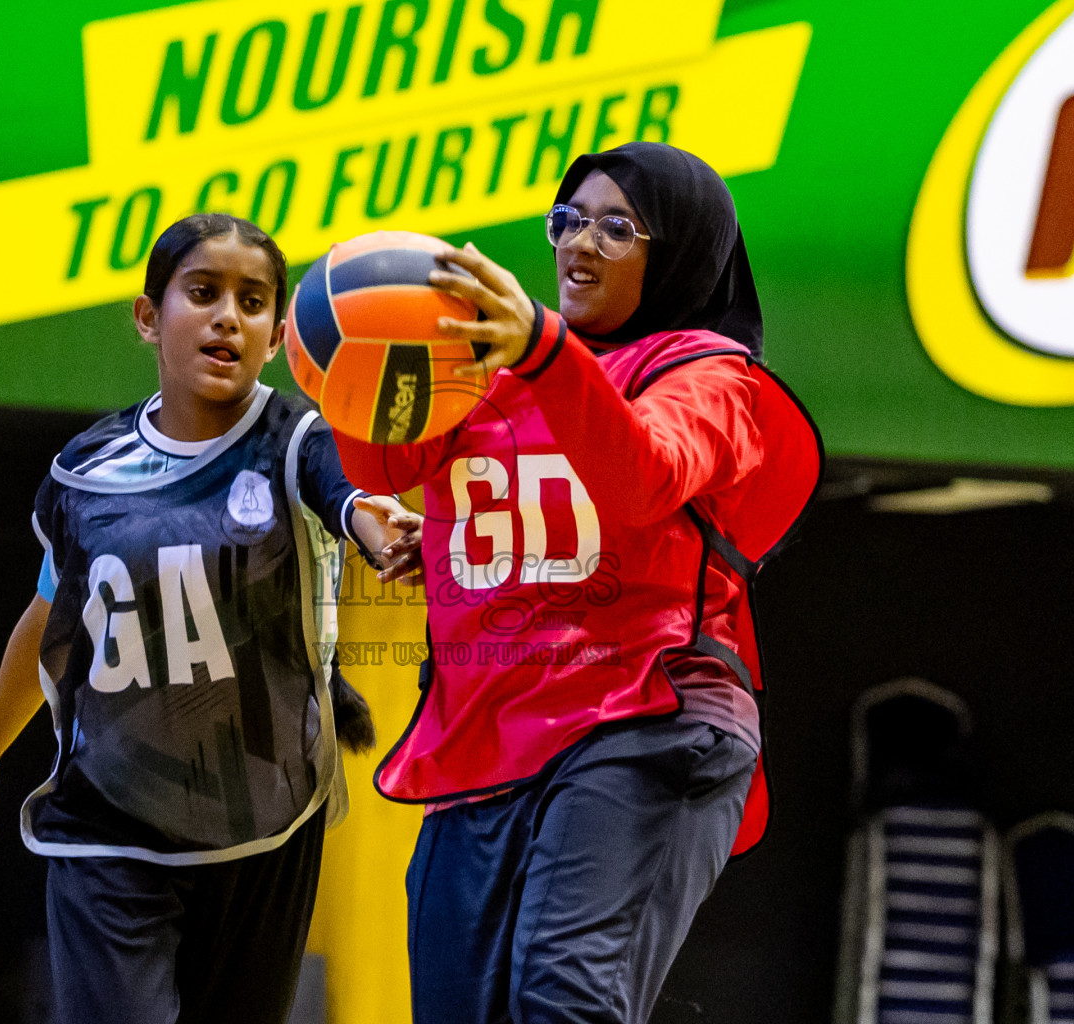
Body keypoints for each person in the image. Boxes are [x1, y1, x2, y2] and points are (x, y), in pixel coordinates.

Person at [333, 142, 820, 1023]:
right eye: (567, 220)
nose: (578, 244)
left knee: (564, 1002)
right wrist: (356, 356)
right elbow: (387, 456)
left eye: (617, 228)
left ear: (680, 255)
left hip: (644, 718)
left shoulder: (708, 375)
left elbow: (644, 477)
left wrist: (542, 348)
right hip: (487, 734)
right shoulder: (494, 370)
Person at [0, 213, 421, 1024]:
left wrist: (379, 524)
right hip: (110, 820)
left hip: (264, 820)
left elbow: (351, 496)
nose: (229, 314)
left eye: (254, 301)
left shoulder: (295, 440)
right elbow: (50, 619)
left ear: (275, 337)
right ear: (149, 318)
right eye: (204, 292)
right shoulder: (87, 475)